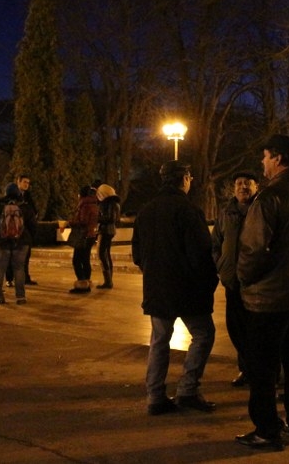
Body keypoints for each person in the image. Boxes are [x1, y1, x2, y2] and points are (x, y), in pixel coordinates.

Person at [236, 134, 289, 451]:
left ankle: (266, 429)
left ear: (278, 158)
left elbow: (253, 249)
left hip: (270, 297)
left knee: (262, 368)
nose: (262, 162)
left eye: (265, 156)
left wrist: (244, 279)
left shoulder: (270, 197)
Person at [132, 160, 219, 416]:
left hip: (157, 288)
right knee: (203, 334)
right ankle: (188, 389)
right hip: (188, 288)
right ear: (185, 179)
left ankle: (155, 396)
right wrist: (208, 283)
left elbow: (137, 253)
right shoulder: (189, 211)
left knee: (159, 340)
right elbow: (202, 254)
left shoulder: (146, 211)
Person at [211, 171, 259, 387]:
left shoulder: (261, 209)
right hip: (232, 281)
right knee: (236, 327)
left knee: (256, 329)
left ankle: (262, 371)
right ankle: (247, 369)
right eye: (239, 183)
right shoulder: (226, 212)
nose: (243, 187)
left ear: (256, 187)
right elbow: (216, 242)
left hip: (256, 281)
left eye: (247, 184)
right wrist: (221, 265)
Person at [0, 182, 35, 305]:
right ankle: (20, 297)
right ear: (18, 193)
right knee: (19, 269)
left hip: (0, 242)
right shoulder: (25, 207)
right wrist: (29, 239)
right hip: (21, 242)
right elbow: (33, 226)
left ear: (6, 193)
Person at [6, 174, 38, 286]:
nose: (27, 185)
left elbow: (34, 211)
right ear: (18, 182)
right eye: (24, 182)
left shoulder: (28, 196)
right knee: (12, 257)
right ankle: (10, 279)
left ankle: (25, 278)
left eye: (28, 183)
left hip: (25, 232)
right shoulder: (11, 196)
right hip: (13, 232)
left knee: (26, 256)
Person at [68, 186, 100, 294]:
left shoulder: (85, 205)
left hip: (83, 235)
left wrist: (71, 222)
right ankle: (86, 282)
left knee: (76, 260)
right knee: (85, 260)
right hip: (91, 235)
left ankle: (82, 285)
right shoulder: (94, 204)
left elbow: (83, 221)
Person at [95, 183, 121, 289]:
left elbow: (110, 218)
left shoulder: (108, 203)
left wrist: (97, 219)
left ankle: (108, 281)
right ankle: (109, 279)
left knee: (101, 254)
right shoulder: (115, 203)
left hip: (105, 231)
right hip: (110, 230)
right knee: (106, 254)